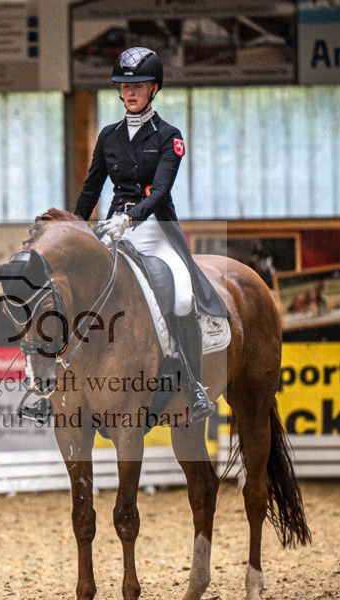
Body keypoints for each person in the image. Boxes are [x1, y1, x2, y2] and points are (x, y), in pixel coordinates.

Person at [73, 46, 229, 421]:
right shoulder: (109, 136)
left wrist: (129, 220)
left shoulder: (168, 136)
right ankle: (66, 385)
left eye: (139, 85)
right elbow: (92, 188)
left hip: (155, 227)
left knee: (179, 296)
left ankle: (193, 385)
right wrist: (75, 227)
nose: (130, 92)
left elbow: (159, 191)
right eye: (125, 86)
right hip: (112, 229)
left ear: (154, 89)